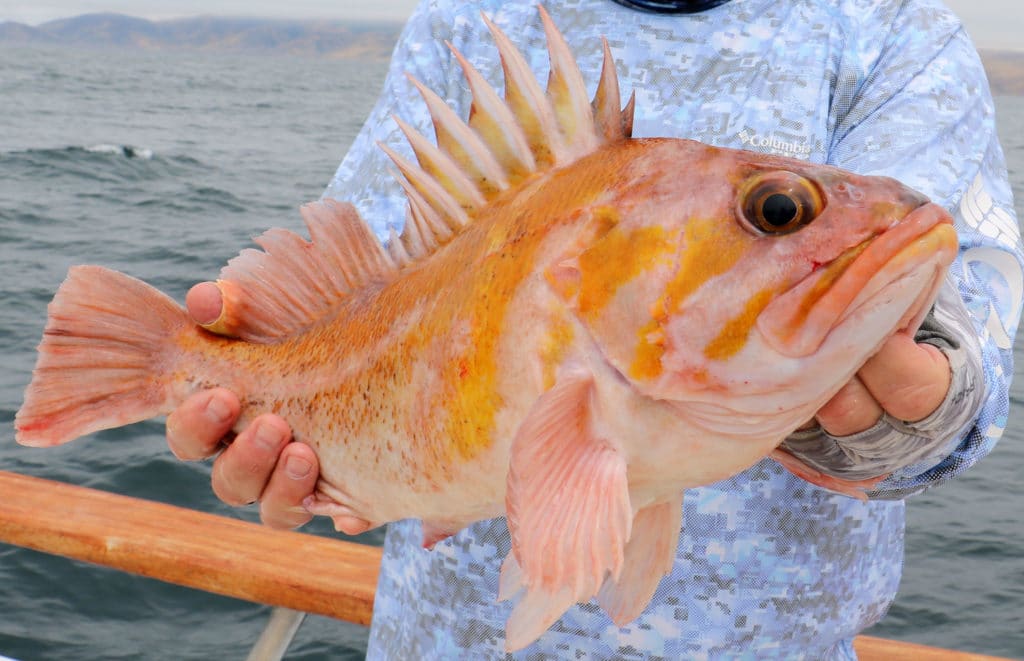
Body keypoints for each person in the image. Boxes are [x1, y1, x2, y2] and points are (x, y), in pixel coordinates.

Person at [165, 0, 1022, 657]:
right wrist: (267, 402)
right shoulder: (472, 15)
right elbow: (366, 271)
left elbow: (964, 353)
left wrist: (916, 414)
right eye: (778, 211)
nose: (805, 225)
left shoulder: (891, 29)